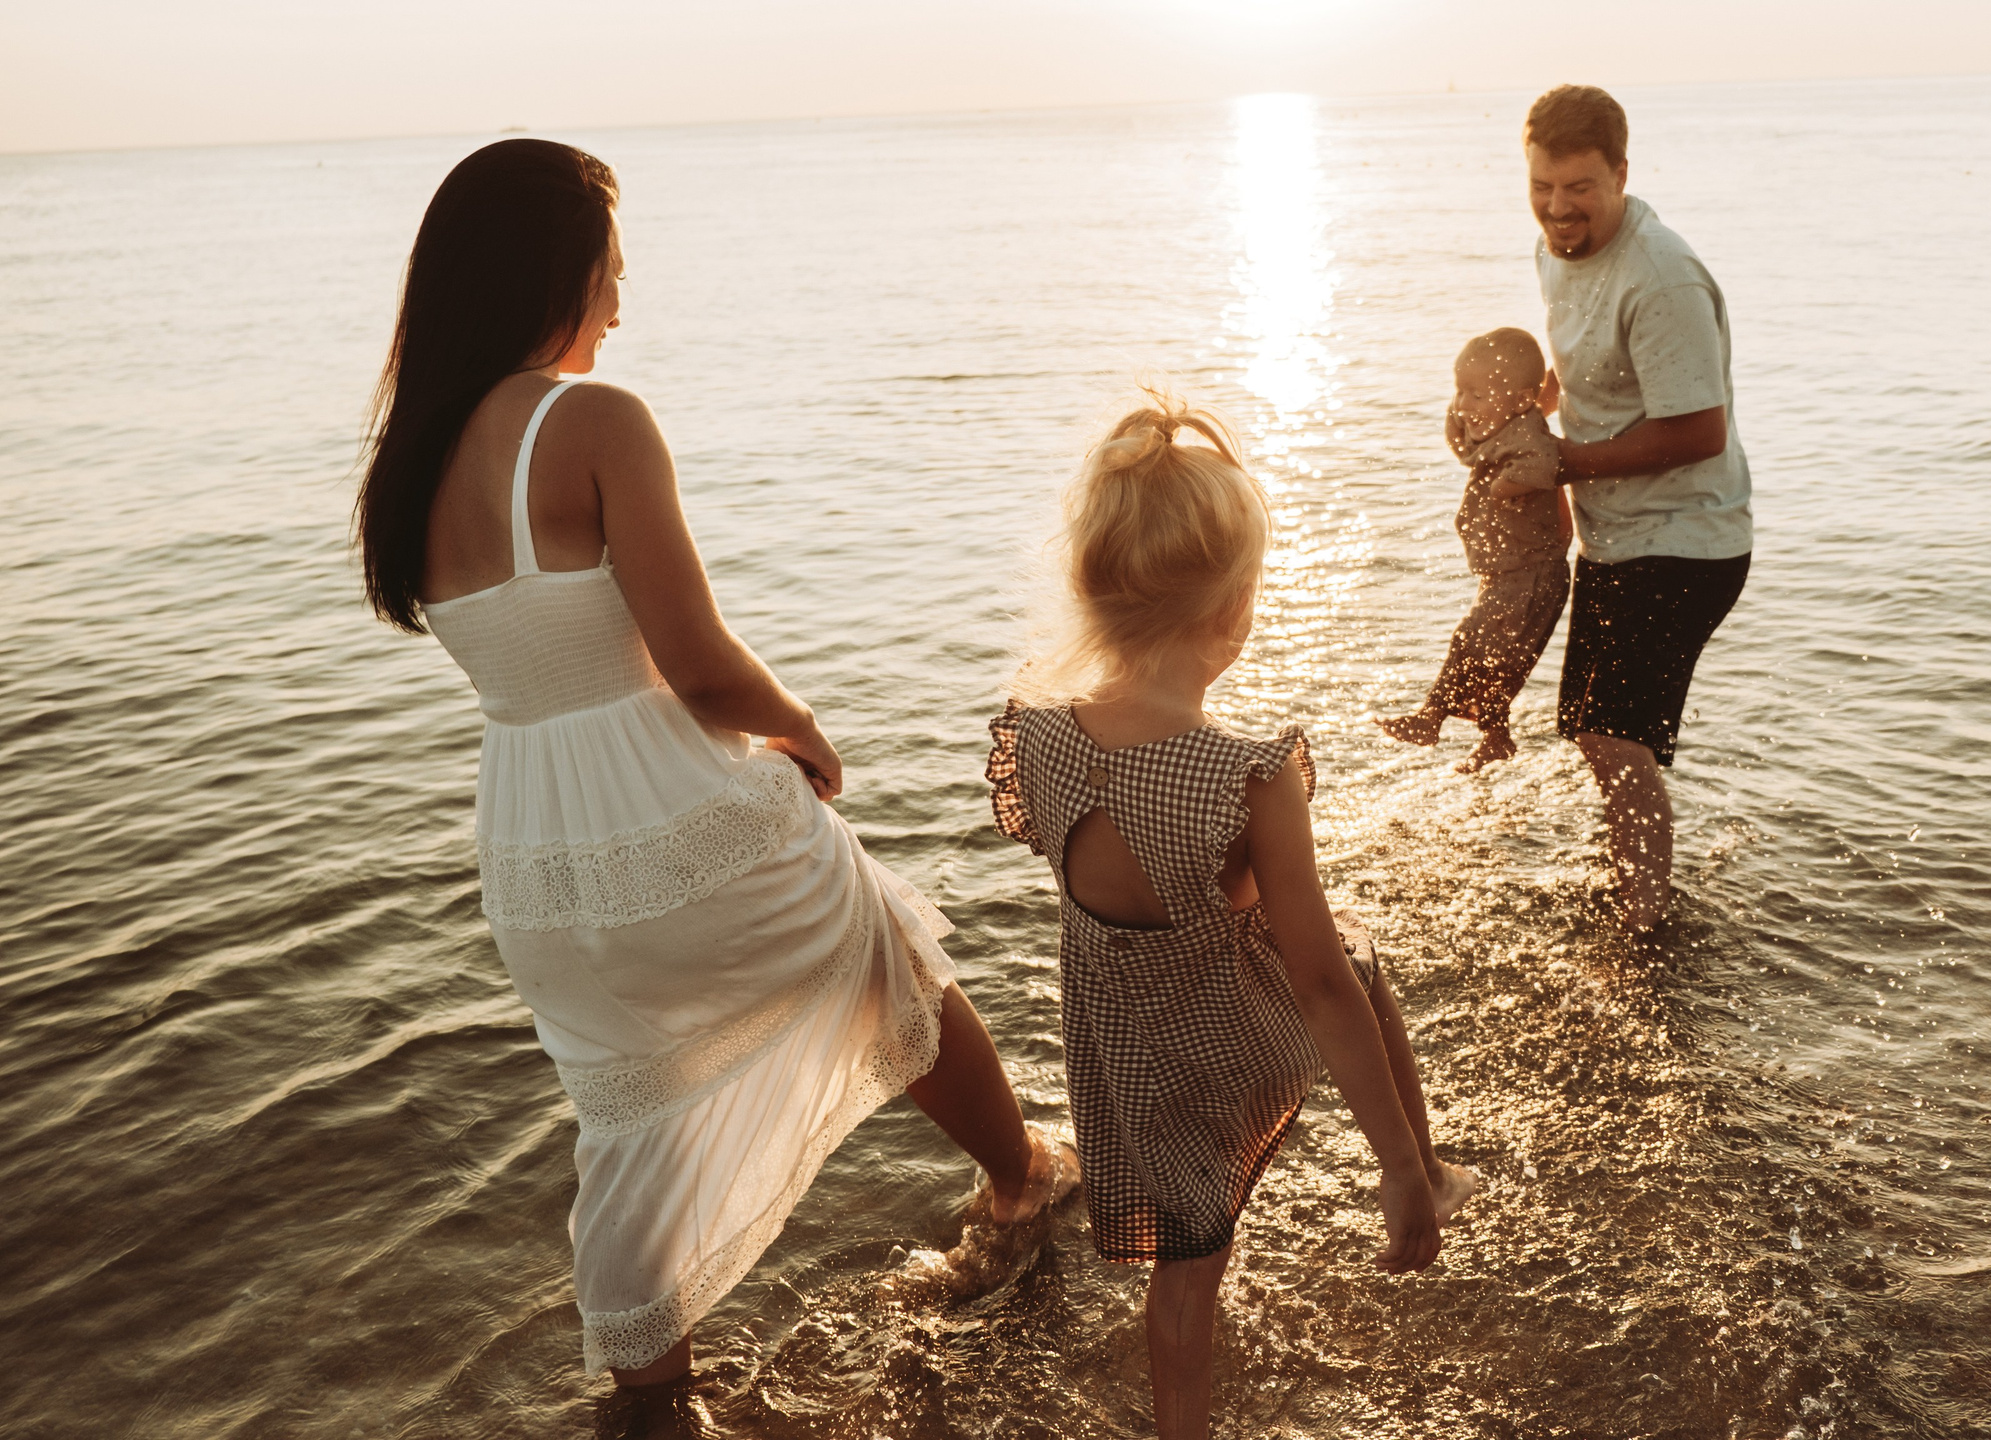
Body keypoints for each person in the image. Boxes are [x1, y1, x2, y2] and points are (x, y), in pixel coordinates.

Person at [352, 139, 1072, 1440]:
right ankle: (1023, 1189)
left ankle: (651, 1391)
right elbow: (698, 665)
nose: (621, 304)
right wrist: (804, 735)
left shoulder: (413, 465)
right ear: (554, 274)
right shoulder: (593, 421)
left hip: (534, 855)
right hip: (671, 816)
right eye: (610, 272)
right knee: (888, 952)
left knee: (627, 1104)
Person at [984, 395, 1477, 1440]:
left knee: (1183, 1266)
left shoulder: (1037, 738)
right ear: (1234, 612)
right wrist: (1387, 1166)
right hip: (1223, 1044)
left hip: (1123, 1054)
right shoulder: (1246, 778)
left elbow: (1086, 857)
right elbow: (1317, 985)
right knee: (1357, 964)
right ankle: (1425, 1174)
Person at [1525, 84, 1754, 936]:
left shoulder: (1662, 276)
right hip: (1618, 533)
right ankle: (1635, 886)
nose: (1559, 207)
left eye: (1580, 187)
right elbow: (1587, 358)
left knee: (1616, 735)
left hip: (1690, 538)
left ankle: (1644, 924)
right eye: (1544, 186)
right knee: (1593, 730)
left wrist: (1561, 461)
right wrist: (1536, 400)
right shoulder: (1556, 247)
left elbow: (1699, 429)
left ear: (1623, 172)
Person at [1376, 327, 1573, 772]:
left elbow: (1544, 463)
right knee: (1500, 655)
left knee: (1473, 641)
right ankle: (1495, 734)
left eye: (1476, 395)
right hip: (1508, 571)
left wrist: (1507, 486)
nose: (1463, 406)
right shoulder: (1500, 424)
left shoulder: (1527, 433)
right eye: (1458, 392)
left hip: (1532, 571)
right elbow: (1465, 444)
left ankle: (1431, 719)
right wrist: (1461, 407)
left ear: (1523, 399)